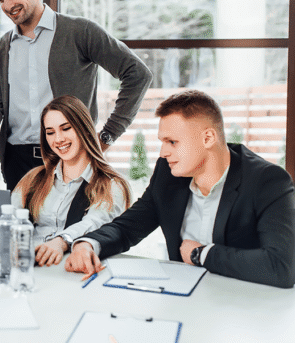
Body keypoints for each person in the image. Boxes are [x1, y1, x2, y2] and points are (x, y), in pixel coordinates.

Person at [65, 90, 295, 288]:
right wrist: (89, 244)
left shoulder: (268, 181)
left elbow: (282, 267)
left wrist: (201, 254)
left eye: (172, 142)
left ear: (208, 138)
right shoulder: (168, 173)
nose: (163, 152)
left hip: (245, 310)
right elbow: (128, 227)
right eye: (162, 142)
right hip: (182, 299)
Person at [0, 0, 153, 190]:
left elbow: (137, 74)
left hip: (71, 156)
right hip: (18, 164)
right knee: (21, 227)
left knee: (75, 227)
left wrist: (105, 138)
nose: (7, 5)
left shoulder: (80, 32)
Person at [11, 95, 131, 267]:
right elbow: (10, 221)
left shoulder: (110, 185)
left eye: (66, 128)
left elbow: (95, 223)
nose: (58, 139)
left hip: (72, 268)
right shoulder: (33, 179)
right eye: (50, 132)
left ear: (83, 128)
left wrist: (60, 242)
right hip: (30, 267)